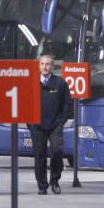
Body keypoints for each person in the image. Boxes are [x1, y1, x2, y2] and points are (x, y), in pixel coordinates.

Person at [28, 54, 72, 195]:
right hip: (37, 125)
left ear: (52, 66)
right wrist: (30, 123)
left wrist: (60, 122)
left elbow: (67, 105)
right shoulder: (31, 82)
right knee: (39, 155)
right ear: (38, 66)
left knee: (57, 150)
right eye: (42, 64)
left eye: (48, 64)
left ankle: (55, 180)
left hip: (55, 125)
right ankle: (42, 185)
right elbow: (24, 103)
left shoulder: (60, 83)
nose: (45, 67)